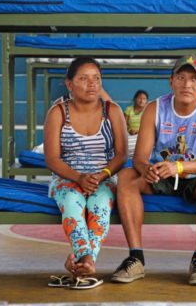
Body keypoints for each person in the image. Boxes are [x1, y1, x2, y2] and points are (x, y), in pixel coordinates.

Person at [111, 55, 196, 286]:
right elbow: (140, 158)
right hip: (161, 176)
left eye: (194, 79)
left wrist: (180, 166)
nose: (187, 84)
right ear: (171, 81)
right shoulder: (155, 108)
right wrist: (147, 170)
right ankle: (136, 258)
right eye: (181, 78)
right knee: (126, 176)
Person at [43, 57, 128, 289]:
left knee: (100, 204)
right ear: (69, 84)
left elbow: (121, 155)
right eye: (84, 78)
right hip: (67, 177)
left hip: (105, 176)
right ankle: (87, 261)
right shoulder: (58, 112)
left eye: (96, 78)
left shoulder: (113, 111)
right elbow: (51, 158)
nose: (92, 84)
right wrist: (78, 178)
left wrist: (101, 176)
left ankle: (83, 261)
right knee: (72, 200)